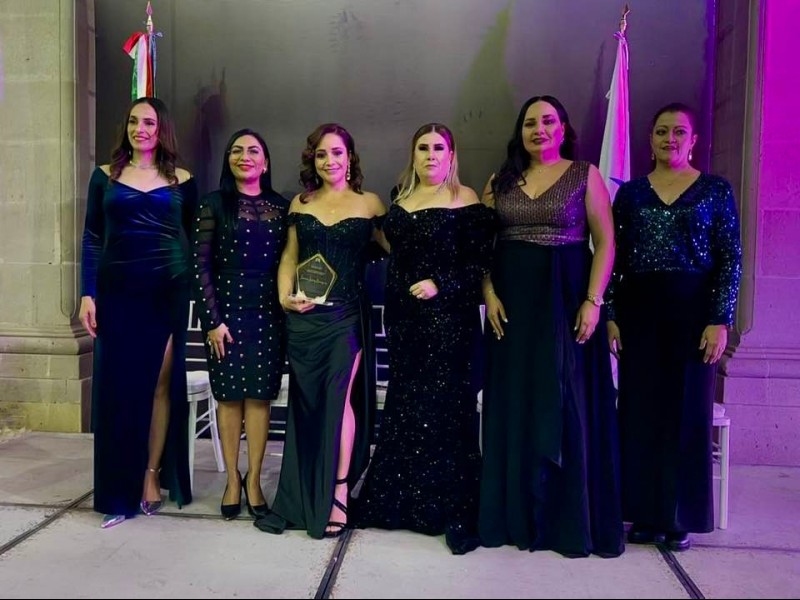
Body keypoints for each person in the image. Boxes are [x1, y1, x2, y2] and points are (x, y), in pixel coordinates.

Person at [478, 95, 624, 558]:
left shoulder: (585, 175)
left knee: (568, 404)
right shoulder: (499, 181)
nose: (538, 130)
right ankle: (515, 516)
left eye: (547, 121)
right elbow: (479, 245)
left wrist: (593, 302)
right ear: (520, 131)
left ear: (563, 128)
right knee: (516, 400)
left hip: (567, 303)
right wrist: (488, 294)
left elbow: (605, 243)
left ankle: (568, 520)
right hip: (512, 308)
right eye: (529, 123)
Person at [606, 103, 742, 552]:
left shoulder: (715, 191)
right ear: (650, 140)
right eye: (662, 131)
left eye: (679, 131)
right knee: (640, 411)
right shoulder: (631, 194)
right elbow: (614, 259)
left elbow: (730, 259)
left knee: (686, 413)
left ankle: (679, 515)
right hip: (640, 311)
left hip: (694, 313)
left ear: (693, 140)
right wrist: (611, 314)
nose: (670, 139)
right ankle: (643, 513)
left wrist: (720, 320)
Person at [355, 124, 495, 555]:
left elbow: (479, 264)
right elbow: (392, 251)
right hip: (404, 322)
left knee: (446, 411)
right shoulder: (400, 197)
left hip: (448, 323)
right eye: (423, 147)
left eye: (438, 147)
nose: (430, 154)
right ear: (413, 154)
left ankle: (444, 507)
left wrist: (441, 284)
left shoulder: (465, 199)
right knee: (406, 406)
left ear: (451, 155)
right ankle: (402, 505)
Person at [254, 123, 387, 539]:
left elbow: (401, 251)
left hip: (347, 318)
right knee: (308, 406)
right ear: (312, 160)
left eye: (337, 153)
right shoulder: (302, 202)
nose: (330, 161)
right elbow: (289, 257)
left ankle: (339, 491)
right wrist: (284, 297)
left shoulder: (369, 204)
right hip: (304, 319)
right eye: (321, 154)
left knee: (338, 401)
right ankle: (303, 493)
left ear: (350, 158)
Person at [79, 97, 197, 528]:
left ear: (161, 129)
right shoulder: (104, 177)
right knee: (119, 390)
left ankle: (150, 476)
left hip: (166, 293)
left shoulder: (183, 180)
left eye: (148, 122)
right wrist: (87, 293)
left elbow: (192, 240)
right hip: (117, 294)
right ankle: (117, 490)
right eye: (133, 121)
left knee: (159, 386)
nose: (139, 129)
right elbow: (92, 237)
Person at [192, 128, 288, 520]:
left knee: (260, 399)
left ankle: (254, 482)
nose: (244, 156)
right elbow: (200, 265)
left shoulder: (282, 207)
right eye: (236, 150)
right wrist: (212, 322)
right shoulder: (213, 204)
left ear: (265, 162)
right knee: (230, 398)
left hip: (269, 313)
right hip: (225, 315)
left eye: (252, 151)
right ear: (228, 160)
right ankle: (233, 479)